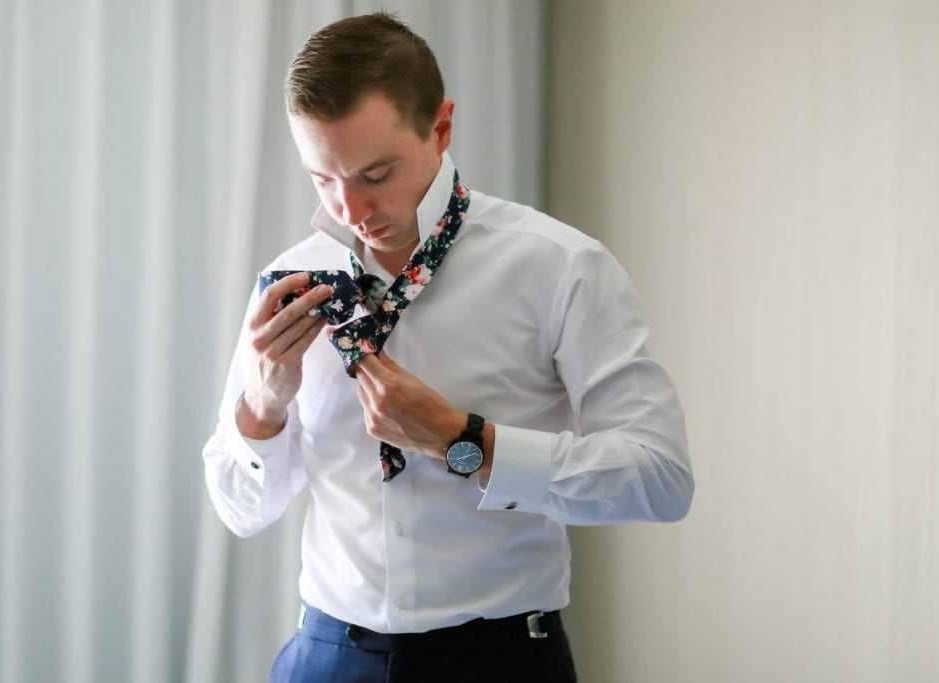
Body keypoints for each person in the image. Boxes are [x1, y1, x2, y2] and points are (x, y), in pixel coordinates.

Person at [203, 11, 693, 682]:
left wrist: (465, 440)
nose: (350, 210)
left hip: (500, 659)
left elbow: (660, 478)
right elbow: (240, 510)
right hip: (326, 655)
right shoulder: (290, 285)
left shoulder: (558, 267)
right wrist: (264, 400)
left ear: (441, 127)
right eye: (323, 178)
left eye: (375, 174)